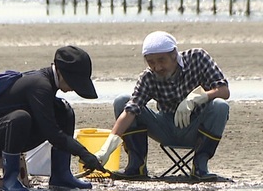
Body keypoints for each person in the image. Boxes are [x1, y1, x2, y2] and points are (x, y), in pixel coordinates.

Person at [93, 31, 230, 180]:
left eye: (161, 60)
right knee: (122, 101)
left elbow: (224, 91)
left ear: (174, 55)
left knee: (220, 106)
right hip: (165, 128)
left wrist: (196, 98)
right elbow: (130, 110)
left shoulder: (198, 58)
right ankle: (136, 167)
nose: (157, 67)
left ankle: (200, 167)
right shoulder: (148, 77)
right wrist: (107, 148)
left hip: (196, 128)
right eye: (151, 62)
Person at [0, 46, 107, 191]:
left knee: (64, 110)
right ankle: (10, 180)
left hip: (13, 134)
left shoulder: (47, 84)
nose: (74, 88)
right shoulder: (39, 85)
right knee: (21, 118)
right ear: (59, 72)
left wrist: (83, 153)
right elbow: (52, 133)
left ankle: (61, 176)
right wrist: (84, 153)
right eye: (74, 82)